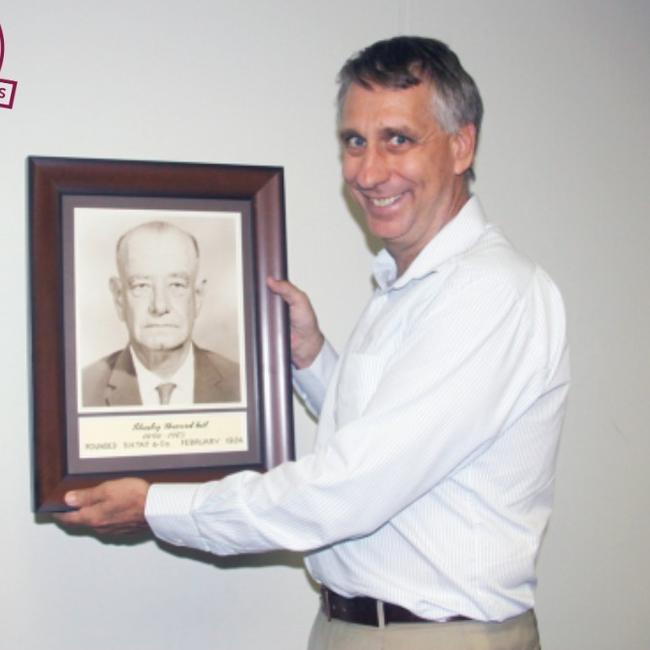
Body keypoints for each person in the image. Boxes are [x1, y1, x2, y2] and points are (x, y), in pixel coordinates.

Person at [57, 36, 569, 650]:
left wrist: (157, 507)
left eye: (397, 139)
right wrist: (310, 358)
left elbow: (349, 489)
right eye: (354, 141)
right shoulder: (409, 285)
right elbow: (391, 440)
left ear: (461, 145)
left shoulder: (489, 293)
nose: (369, 171)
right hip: (353, 628)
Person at [81, 220, 240, 407]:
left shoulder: (240, 383)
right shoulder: (82, 389)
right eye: (141, 285)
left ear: (197, 296)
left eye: (177, 285)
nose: (160, 306)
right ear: (119, 298)